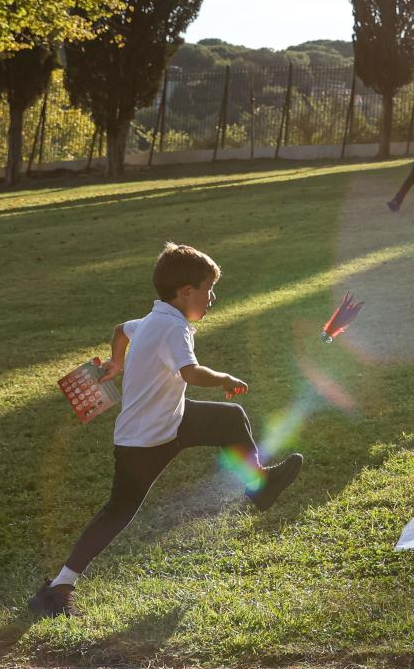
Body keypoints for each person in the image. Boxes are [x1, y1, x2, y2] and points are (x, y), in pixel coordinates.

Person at [28, 243, 303, 619]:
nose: (213, 297)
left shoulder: (155, 319)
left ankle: (260, 486)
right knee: (118, 512)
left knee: (230, 420)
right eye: (208, 289)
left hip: (170, 422)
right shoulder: (173, 327)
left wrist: (115, 362)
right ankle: (59, 588)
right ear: (185, 292)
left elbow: (120, 330)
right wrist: (224, 377)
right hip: (146, 441)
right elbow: (190, 372)